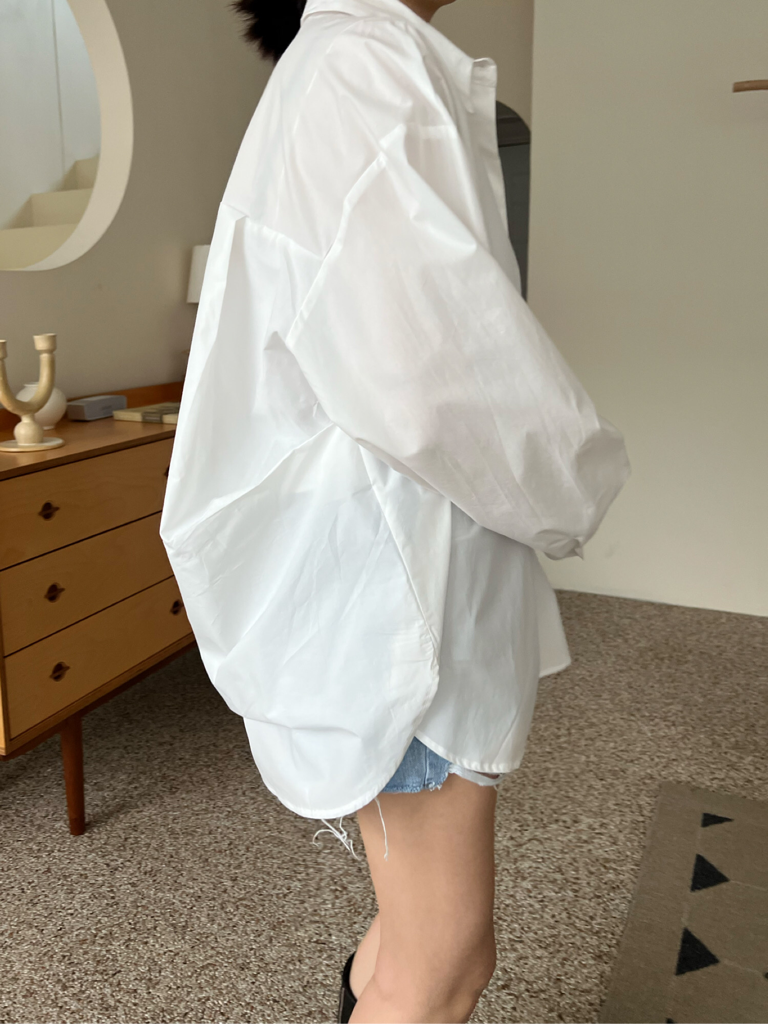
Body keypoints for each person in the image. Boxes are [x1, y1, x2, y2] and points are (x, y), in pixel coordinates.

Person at [159, 0, 630, 1020]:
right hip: (401, 602)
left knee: (414, 930)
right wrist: (579, 482)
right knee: (445, 956)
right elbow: (439, 376)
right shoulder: (363, 66)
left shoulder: (346, 64)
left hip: (395, 581)